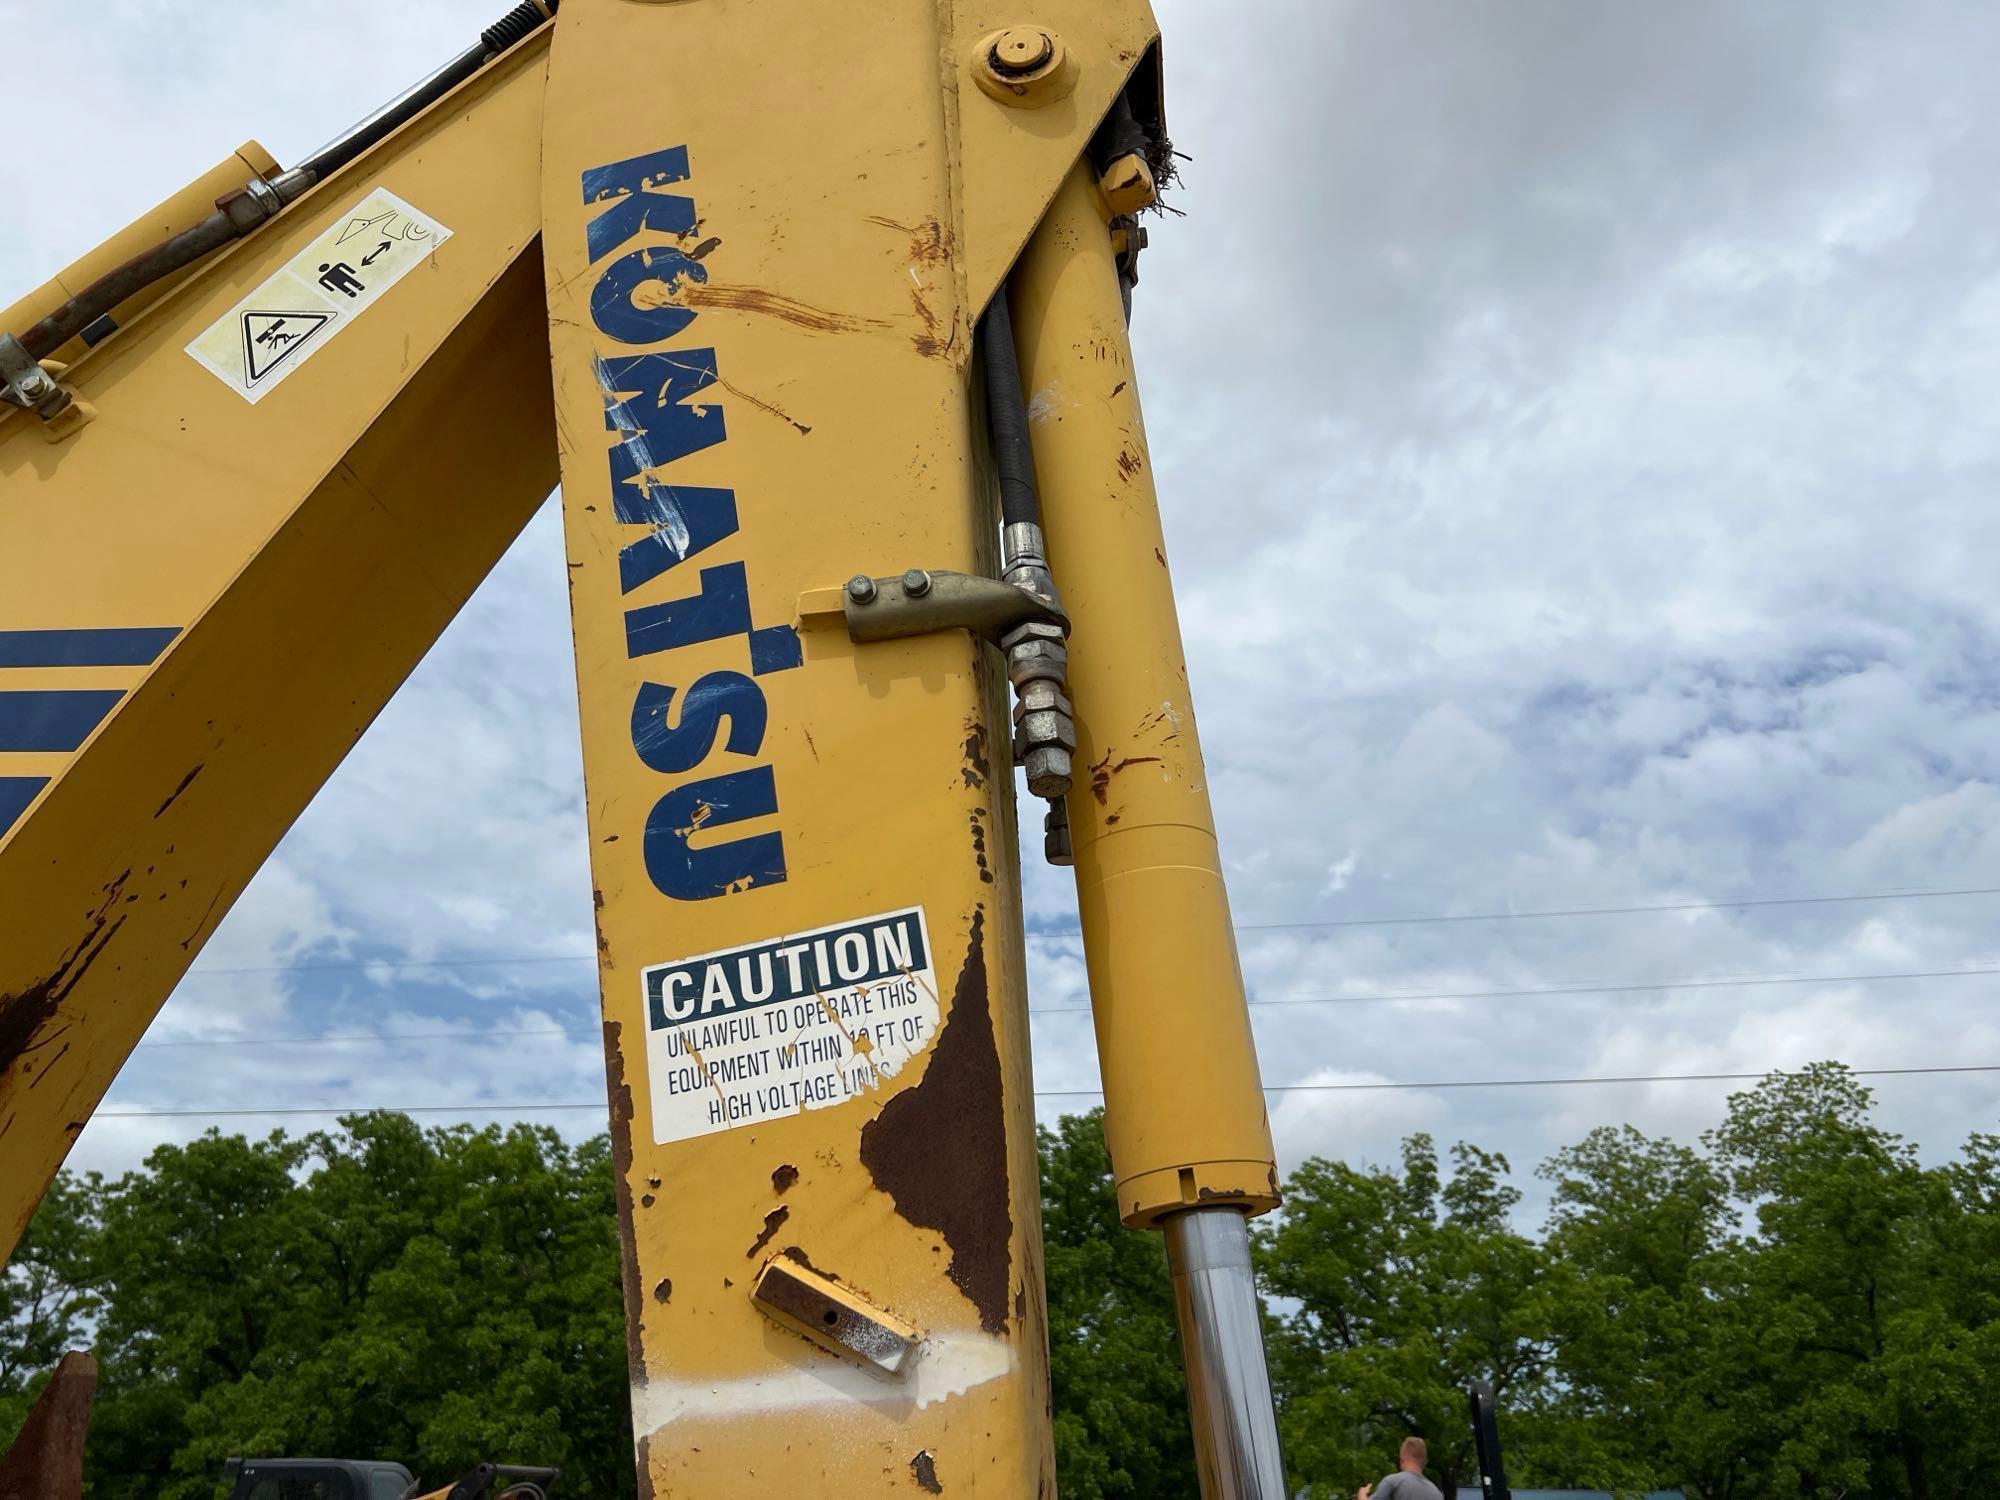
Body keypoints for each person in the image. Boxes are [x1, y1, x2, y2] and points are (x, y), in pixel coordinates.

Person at [1356, 1436, 1443, 1500]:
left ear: (1402, 1460)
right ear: (1425, 1462)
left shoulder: (1393, 1482)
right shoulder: (1437, 1493)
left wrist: (1362, 1495)